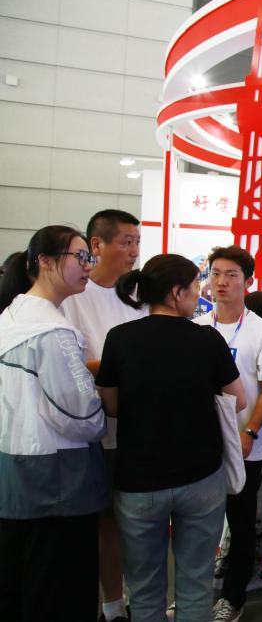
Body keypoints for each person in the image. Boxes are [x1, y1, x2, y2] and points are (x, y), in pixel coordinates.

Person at [96, 254, 245, 622]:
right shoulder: (206, 339)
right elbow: (238, 399)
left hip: (138, 481)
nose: (200, 293)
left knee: (144, 590)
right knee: (195, 586)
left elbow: (110, 405)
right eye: (195, 287)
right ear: (177, 293)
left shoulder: (119, 338)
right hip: (201, 478)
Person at [0, 225, 108, 621]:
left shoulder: (12, 316)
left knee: (19, 584)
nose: (88, 266)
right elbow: (79, 413)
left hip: (15, 472)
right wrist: (102, 416)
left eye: (89, 258)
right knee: (59, 592)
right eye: (79, 257)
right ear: (44, 261)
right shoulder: (54, 331)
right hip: (60, 481)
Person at [61, 209, 144, 622]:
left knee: (134, 525)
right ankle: (107, 605)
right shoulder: (73, 298)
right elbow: (68, 363)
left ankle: (126, 604)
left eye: (137, 242)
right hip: (92, 433)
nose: (134, 251)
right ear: (97, 245)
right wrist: (119, 365)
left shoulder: (137, 296)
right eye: (126, 242)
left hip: (138, 430)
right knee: (99, 525)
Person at [195, 245, 262, 622]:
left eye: (231, 275)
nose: (221, 282)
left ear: (248, 282)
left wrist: (250, 430)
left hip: (244, 443)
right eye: (215, 273)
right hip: (200, 443)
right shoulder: (197, 327)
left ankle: (233, 598)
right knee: (198, 525)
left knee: (242, 521)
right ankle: (193, 597)